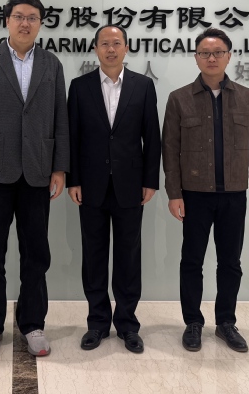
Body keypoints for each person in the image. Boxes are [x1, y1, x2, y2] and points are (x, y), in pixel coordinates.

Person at [0, 0, 69, 358]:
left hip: (38, 170)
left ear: (40, 23)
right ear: (7, 20)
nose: (26, 23)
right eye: (19, 16)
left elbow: (60, 118)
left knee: (36, 252)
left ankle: (33, 323)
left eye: (33, 18)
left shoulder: (52, 64)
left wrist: (59, 167)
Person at [162, 27, 249, 353]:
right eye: (205, 53)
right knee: (192, 261)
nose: (211, 58)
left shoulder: (247, 98)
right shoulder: (179, 98)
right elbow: (170, 149)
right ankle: (193, 323)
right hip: (194, 195)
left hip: (234, 195)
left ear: (229, 56)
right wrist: (174, 193)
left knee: (230, 262)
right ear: (196, 58)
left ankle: (226, 323)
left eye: (218, 52)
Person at [66, 25, 160, 354]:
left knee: (128, 257)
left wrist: (150, 180)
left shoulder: (143, 86)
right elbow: (72, 138)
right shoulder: (79, 87)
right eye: (104, 43)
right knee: (93, 257)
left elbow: (152, 136)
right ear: (95, 49)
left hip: (130, 186)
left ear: (126, 48)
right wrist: (73, 179)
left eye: (116, 43)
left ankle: (128, 325)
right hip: (90, 186)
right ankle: (97, 323)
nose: (110, 49)